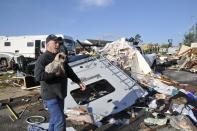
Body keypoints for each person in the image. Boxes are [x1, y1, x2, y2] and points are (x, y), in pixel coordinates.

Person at [34, 34, 86, 131]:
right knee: (60, 121)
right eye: (55, 42)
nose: (58, 45)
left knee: (55, 119)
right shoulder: (43, 58)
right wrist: (55, 74)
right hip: (50, 96)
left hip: (61, 94)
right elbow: (38, 76)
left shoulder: (60, 56)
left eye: (59, 43)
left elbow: (69, 71)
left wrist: (78, 81)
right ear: (48, 44)